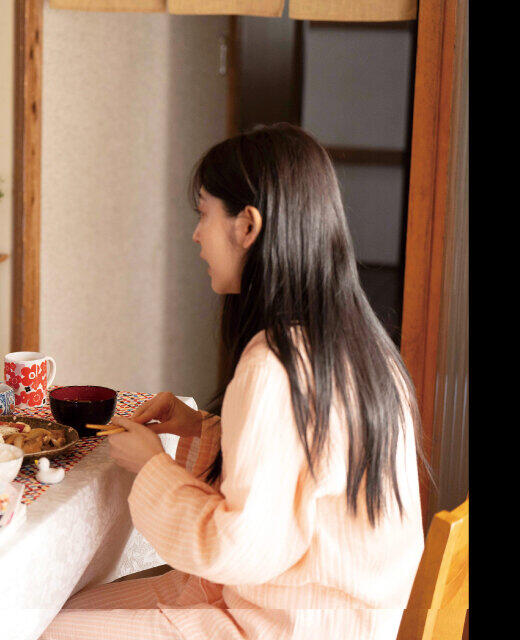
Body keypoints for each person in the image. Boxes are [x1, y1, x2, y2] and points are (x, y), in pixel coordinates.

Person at [41, 124, 426, 640]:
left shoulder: (276, 365)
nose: (196, 235)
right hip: (342, 615)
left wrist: (152, 465)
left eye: (203, 213)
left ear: (247, 225)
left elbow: (240, 548)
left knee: (41, 628)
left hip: (283, 623)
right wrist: (204, 428)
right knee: (53, 619)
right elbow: (302, 470)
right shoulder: (361, 340)